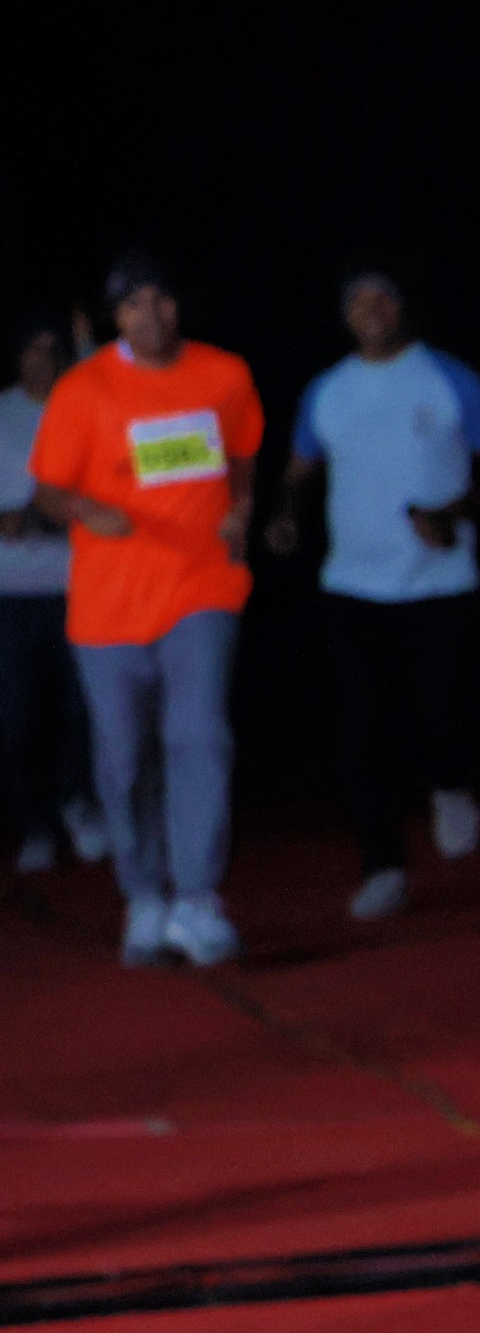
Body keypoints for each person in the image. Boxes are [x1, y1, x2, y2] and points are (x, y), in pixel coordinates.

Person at [29, 254, 262, 966]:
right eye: (133, 305)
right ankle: (145, 896)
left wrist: (242, 506)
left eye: (162, 300)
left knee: (199, 736)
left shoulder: (224, 374)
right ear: (116, 317)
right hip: (109, 609)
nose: (150, 315)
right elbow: (47, 491)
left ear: (179, 305)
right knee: (125, 757)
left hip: (201, 588)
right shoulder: (84, 389)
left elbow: (242, 453)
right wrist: (85, 508)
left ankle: (197, 897)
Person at [269, 270, 480, 921]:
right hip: (352, 586)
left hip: (438, 582)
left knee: (443, 713)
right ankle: (383, 866)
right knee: (364, 730)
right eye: (358, 299)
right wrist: (288, 515)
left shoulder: (449, 378)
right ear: (344, 313)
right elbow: (299, 469)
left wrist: (455, 511)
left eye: (383, 297)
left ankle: (450, 783)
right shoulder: (328, 390)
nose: (372, 309)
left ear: (403, 306)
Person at [0, 315, 106, 872]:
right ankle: (35, 825)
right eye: (31, 349)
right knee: (18, 718)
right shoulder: (2, 413)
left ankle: (77, 804)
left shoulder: (82, 406)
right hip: (13, 592)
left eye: (51, 348)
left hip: (80, 585)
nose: (42, 359)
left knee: (82, 710)